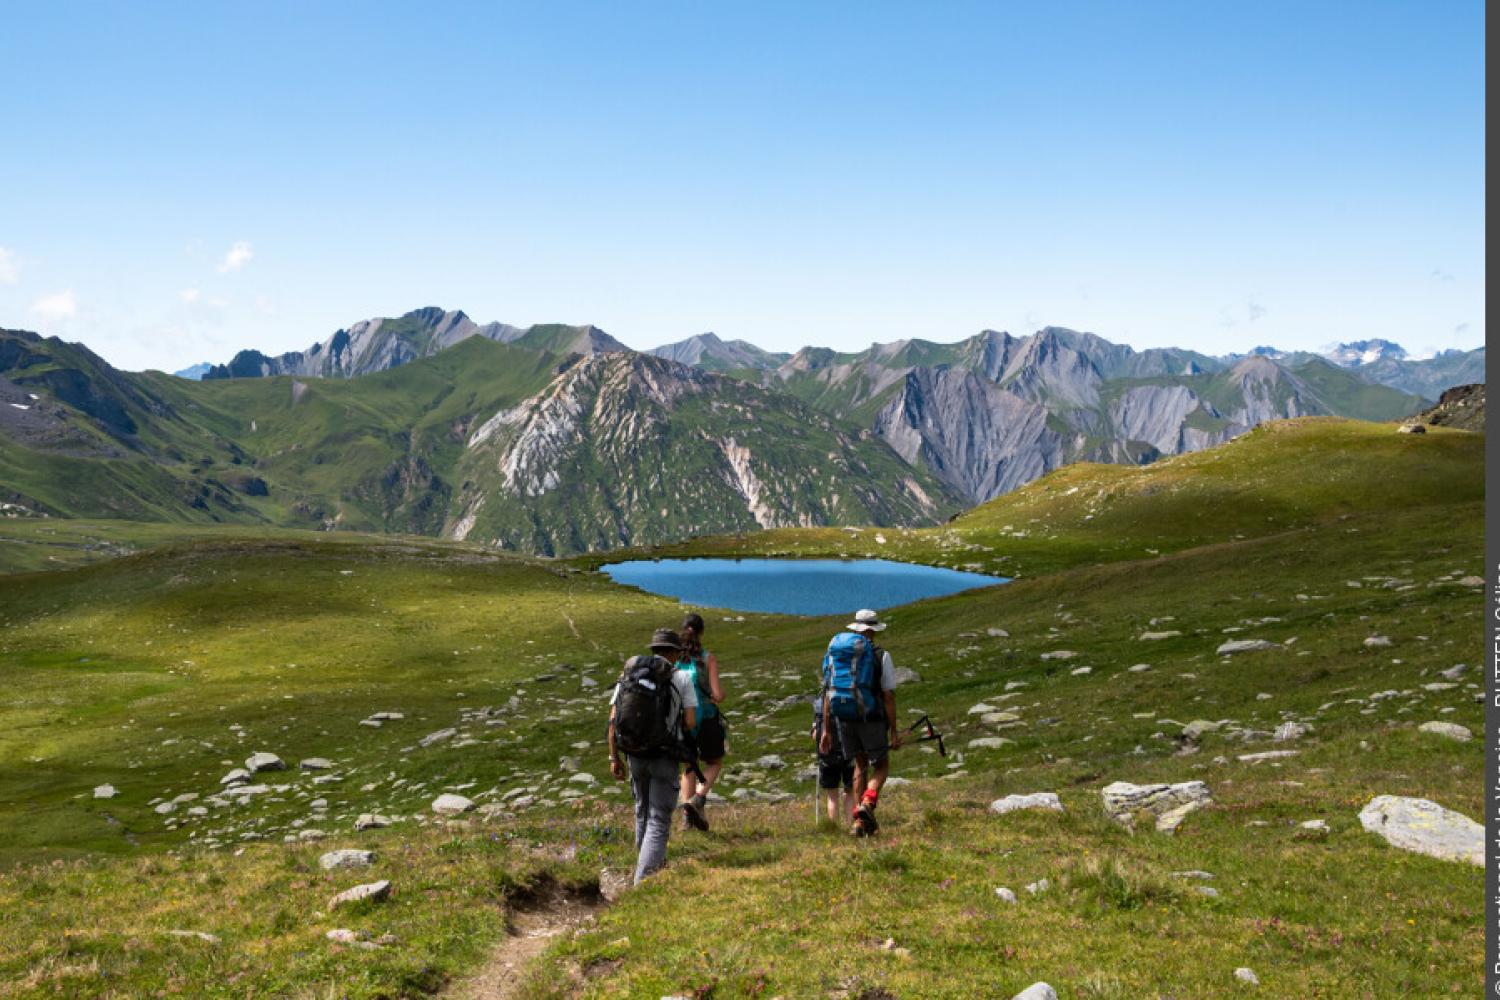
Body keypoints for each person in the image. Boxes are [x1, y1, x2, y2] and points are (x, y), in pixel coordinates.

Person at [607, 628, 698, 884]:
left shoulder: (630, 674)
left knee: (642, 810)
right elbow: (690, 722)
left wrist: (613, 757)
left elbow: (613, 720)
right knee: (659, 818)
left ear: (654, 649)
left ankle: (645, 864)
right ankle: (644, 880)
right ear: (673, 652)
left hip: (634, 753)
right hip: (664, 754)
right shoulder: (680, 677)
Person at [818, 608, 901, 836]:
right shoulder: (880, 655)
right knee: (881, 766)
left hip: (843, 718)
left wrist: (826, 729)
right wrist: (894, 732)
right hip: (870, 718)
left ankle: (859, 824)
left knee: (860, 766)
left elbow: (827, 692)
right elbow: (888, 696)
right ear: (872, 631)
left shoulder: (837, 655)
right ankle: (867, 804)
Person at [675, 612, 726, 831]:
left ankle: (688, 819)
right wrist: (720, 696)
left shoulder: (675, 659)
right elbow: (717, 694)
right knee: (714, 761)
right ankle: (699, 799)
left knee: (689, 766)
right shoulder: (707, 658)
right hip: (706, 717)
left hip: (683, 720)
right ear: (702, 632)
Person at [811, 693, 854, 823]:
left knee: (832, 796)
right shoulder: (850, 699)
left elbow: (814, 735)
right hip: (850, 752)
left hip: (827, 755)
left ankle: (834, 827)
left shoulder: (820, 704)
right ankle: (851, 825)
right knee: (850, 792)